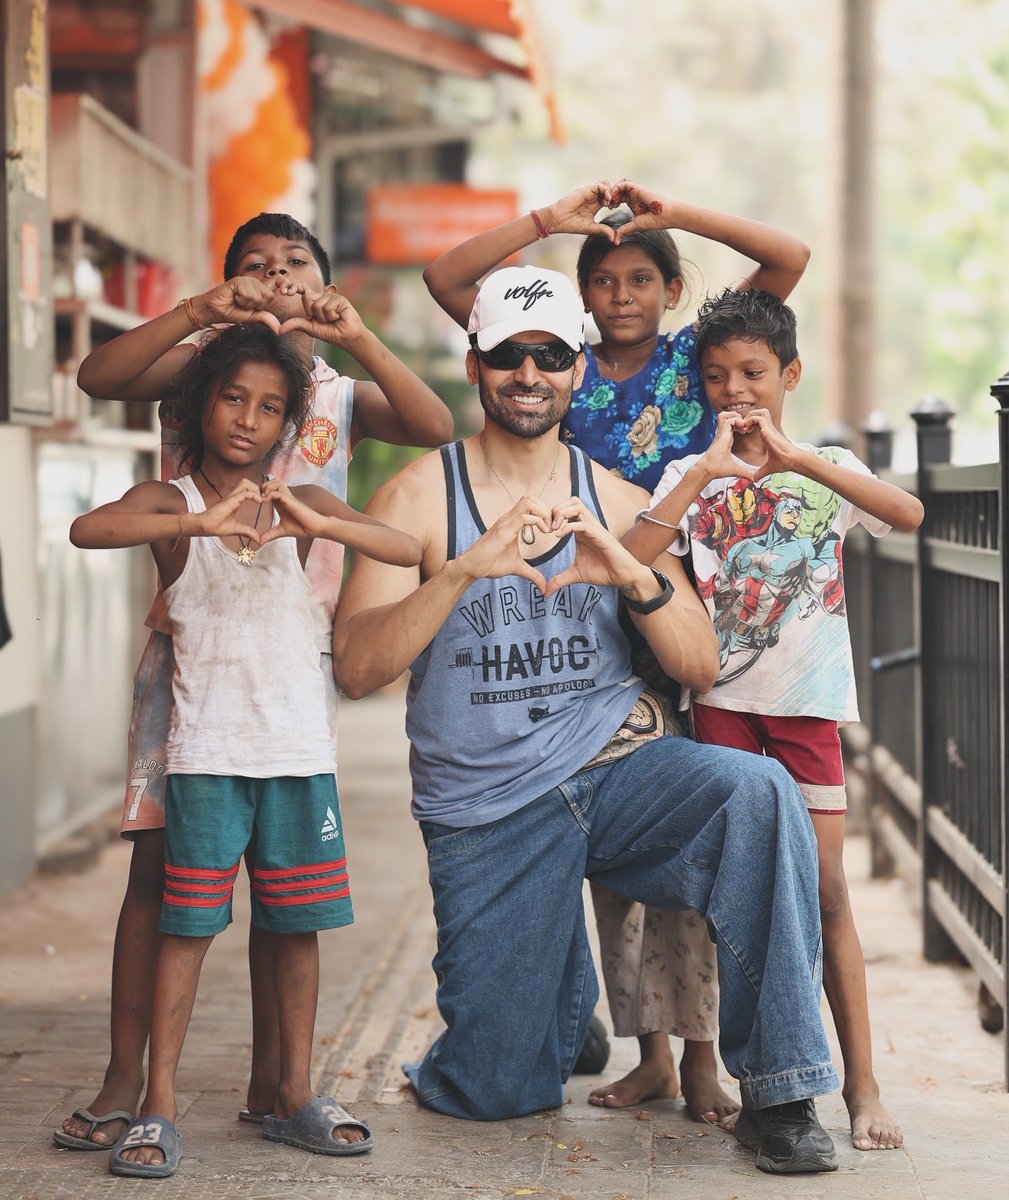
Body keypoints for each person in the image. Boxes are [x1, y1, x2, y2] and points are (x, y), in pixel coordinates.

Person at [333, 266, 843, 1175]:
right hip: (487, 806)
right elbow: (358, 668)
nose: (528, 374)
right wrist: (459, 572)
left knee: (757, 792)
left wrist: (631, 570)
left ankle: (784, 1093)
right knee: (494, 1089)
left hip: (616, 768)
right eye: (507, 355)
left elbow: (695, 661)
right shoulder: (415, 498)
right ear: (475, 362)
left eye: (551, 355)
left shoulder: (614, 497)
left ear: (578, 371)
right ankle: (554, 979)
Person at [54, 212, 452, 1152]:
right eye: (256, 266)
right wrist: (200, 310)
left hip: (292, 667)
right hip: (191, 665)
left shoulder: (338, 391)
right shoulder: (194, 372)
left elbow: (435, 426)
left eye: (295, 264)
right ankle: (131, 1080)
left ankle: (282, 1087)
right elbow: (96, 377)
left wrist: (352, 332)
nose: (277, 276)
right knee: (161, 877)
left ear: (320, 281)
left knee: (289, 891)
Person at [423, 179, 811, 1118]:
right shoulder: (560, 368)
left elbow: (787, 263)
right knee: (594, 888)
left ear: (671, 291)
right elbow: (451, 283)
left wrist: (674, 214)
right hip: (560, 650)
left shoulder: (690, 363)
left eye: (643, 276)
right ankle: (611, 1029)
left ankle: (741, 1074)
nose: (621, 293)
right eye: (602, 280)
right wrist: (545, 225)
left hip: (662, 600)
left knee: (724, 824)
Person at [625, 286, 922, 1152]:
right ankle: (714, 1068)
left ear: (788, 374)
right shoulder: (689, 474)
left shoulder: (824, 467)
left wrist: (796, 460)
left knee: (826, 896)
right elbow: (631, 560)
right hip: (720, 710)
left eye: (752, 372)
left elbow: (906, 514)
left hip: (806, 713)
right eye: (716, 376)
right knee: (726, 899)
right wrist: (696, 478)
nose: (735, 390)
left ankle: (861, 1088)